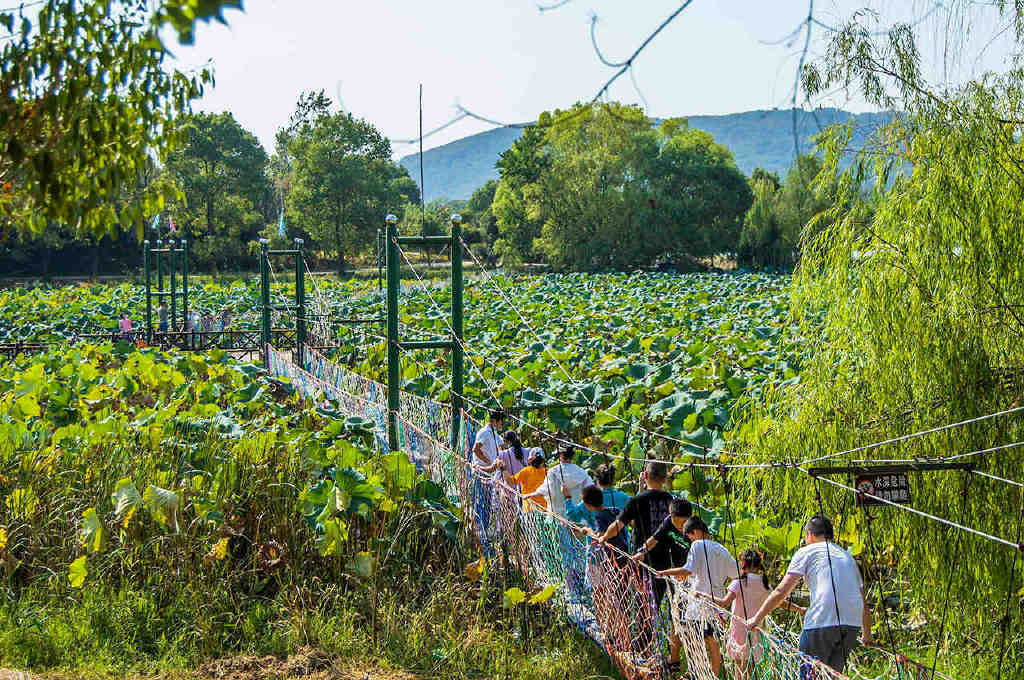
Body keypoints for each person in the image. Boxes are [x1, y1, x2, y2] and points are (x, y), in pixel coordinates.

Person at [744, 515, 871, 676]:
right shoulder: (847, 557)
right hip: (851, 625)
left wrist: (756, 618)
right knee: (831, 676)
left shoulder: (807, 551)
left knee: (809, 675)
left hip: (822, 620)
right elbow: (863, 602)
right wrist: (867, 634)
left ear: (809, 534)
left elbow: (781, 591)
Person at [598, 461, 681, 669]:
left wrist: (603, 538)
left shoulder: (636, 500)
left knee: (645, 604)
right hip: (667, 562)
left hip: (642, 560)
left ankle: (645, 649)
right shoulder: (672, 501)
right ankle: (666, 654)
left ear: (645, 475)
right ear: (664, 479)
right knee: (664, 606)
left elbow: (618, 526)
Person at [700, 549, 806, 680]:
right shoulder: (764, 584)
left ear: (743, 564)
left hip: (738, 633)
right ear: (758, 564)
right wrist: (799, 609)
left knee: (740, 671)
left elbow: (724, 603)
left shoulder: (738, 583)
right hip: (756, 632)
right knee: (751, 670)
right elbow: (780, 602)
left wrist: (704, 596)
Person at [657, 517, 740, 677]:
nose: (690, 540)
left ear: (695, 532)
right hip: (717, 606)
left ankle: (695, 672)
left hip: (698, 606)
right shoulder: (723, 550)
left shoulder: (697, 545)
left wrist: (665, 572)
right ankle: (712, 676)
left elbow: (688, 569)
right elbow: (736, 574)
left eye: (689, 536)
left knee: (694, 642)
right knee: (714, 647)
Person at [524, 444, 591, 517]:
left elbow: (544, 490)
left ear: (560, 454)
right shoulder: (581, 472)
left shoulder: (553, 472)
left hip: (557, 517)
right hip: (576, 516)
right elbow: (591, 489)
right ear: (572, 455)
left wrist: (529, 495)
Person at [566, 462, 631, 530]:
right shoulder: (624, 497)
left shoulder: (592, 497)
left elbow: (574, 516)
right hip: (622, 539)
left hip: (596, 539)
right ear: (613, 479)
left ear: (597, 480)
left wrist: (567, 497)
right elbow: (637, 508)